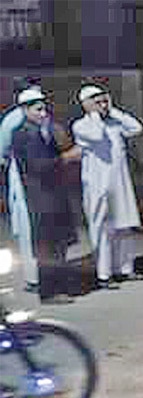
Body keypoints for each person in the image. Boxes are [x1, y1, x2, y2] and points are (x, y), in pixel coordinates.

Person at [11, 87, 83, 305]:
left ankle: (61, 285)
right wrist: (67, 157)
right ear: (26, 110)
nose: (43, 114)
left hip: (54, 194)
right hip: (41, 197)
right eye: (38, 109)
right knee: (47, 245)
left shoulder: (43, 130)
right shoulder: (23, 133)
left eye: (44, 109)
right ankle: (49, 291)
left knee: (59, 243)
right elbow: (38, 166)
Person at [72, 84, 143, 289]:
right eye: (97, 102)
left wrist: (113, 111)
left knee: (124, 227)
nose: (102, 105)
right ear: (86, 105)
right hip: (97, 186)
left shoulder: (114, 123)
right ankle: (104, 274)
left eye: (104, 101)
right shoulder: (81, 125)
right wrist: (95, 115)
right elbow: (96, 135)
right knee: (102, 229)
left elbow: (136, 128)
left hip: (120, 184)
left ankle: (125, 269)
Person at [1, 99, 37, 291]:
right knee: (27, 227)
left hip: (40, 179)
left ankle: (43, 272)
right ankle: (32, 278)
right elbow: (3, 151)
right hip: (21, 175)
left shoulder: (41, 117)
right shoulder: (12, 121)